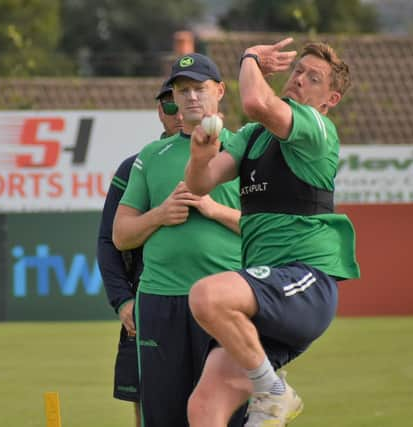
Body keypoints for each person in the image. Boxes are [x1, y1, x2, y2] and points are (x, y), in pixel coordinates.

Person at [183, 38, 361, 427]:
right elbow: (201, 183)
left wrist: (249, 57)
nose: (299, 79)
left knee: (207, 296)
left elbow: (255, 102)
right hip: (268, 291)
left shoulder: (318, 127)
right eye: (297, 70)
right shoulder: (253, 135)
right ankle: (270, 390)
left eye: (313, 78)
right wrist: (200, 156)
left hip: (306, 280)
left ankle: (274, 391)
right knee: (203, 406)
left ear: (329, 100)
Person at [112, 53, 248, 427]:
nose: (190, 98)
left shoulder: (245, 149)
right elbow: (121, 236)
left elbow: (269, 229)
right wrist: (160, 215)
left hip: (227, 299)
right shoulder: (151, 156)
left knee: (231, 415)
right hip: (160, 302)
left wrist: (213, 208)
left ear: (219, 91)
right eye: (182, 90)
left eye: (199, 89)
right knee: (165, 417)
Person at [97, 79, 183, 427]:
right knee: (147, 408)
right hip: (149, 303)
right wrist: (122, 300)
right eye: (170, 105)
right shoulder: (135, 166)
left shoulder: (228, 157)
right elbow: (109, 241)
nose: (178, 112)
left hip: (210, 300)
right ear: (161, 113)